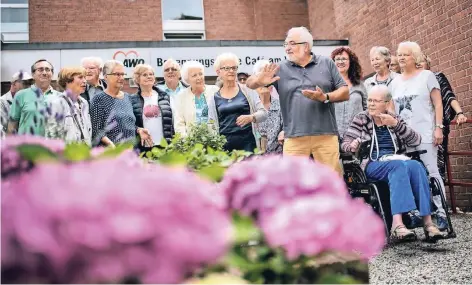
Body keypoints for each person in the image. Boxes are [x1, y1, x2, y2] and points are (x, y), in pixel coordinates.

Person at [342, 85, 442, 241]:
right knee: (398, 166)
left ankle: (428, 223)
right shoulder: (362, 118)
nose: (371, 104)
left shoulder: (394, 118)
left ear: (387, 103)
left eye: (376, 101)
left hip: (396, 160)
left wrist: (395, 124)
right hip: (372, 164)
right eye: (369, 100)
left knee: (416, 166)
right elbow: (345, 143)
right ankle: (397, 224)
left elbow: (416, 140)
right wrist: (352, 145)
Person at [246, 26, 349, 174]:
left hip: (325, 136)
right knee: (293, 184)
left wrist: (325, 97)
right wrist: (259, 80)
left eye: (292, 43)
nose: (287, 48)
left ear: (306, 46)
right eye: (285, 44)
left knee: (332, 182)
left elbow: (345, 92)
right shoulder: (280, 68)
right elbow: (249, 84)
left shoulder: (326, 63)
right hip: (294, 138)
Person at [389, 41, 448, 231]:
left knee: (432, 172)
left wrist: (438, 127)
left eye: (405, 54)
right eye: (399, 54)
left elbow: (438, 104)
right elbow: (391, 107)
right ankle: (416, 215)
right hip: (403, 137)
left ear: (415, 56)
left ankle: (441, 213)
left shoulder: (427, 76)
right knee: (411, 175)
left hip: (425, 134)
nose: (401, 57)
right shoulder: (395, 81)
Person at [418, 53, 468, 181]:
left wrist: (459, 113)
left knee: (437, 165)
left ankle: (438, 197)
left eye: (421, 61)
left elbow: (448, 95)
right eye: (416, 61)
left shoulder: (437, 77)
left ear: (428, 63)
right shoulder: (412, 82)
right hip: (418, 129)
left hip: (437, 127)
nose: (418, 64)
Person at [208, 53, 268, 152]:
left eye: (234, 68)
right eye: (227, 68)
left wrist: (251, 117)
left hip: (249, 146)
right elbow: (211, 125)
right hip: (225, 149)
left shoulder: (248, 90)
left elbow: (264, 114)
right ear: (218, 72)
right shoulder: (214, 97)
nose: (231, 71)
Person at [90, 60, 146, 147]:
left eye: (123, 74)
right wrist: (109, 144)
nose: (121, 77)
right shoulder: (98, 99)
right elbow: (96, 130)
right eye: (117, 74)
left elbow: (128, 124)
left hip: (131, 151)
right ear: (105, 77)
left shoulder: (128, 97)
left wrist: (139, 130)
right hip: (112, 153)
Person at [8, 59, 61, 136]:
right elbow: (12, 125)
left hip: (53, 146)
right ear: (33, 74)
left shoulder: (60, 97)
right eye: (40, 70)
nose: (44, 73)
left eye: (47, 70)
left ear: (52, 74)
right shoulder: (21, 95)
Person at [130, 64, 174, 150]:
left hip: (165, 146)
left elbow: (174, 120)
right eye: (145, 75)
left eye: (151, 74)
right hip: (144, 147)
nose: (149, 77)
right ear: (137, 79)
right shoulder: (132, 100)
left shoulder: (165, 96)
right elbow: (129, 123)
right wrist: (138, 130)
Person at [45, 67, 92, 145]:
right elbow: (51, 136)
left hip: (84, 153)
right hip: (66, 154)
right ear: (67, 81)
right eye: (80, 77)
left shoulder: (84, 103)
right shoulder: (56, 104)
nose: (85, 81)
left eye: (85, 77)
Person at [174, 61, 219, 137]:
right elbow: (179, 124)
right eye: (194, 75)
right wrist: (186, 141)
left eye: (200, 74)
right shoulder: (181, 96)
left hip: (215, 140)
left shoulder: (215, 91)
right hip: (191, 143)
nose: (199, 78)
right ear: (187, 79)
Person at [330, 47, 367, 139]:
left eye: (344, 59)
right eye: (337, 59)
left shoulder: (360, 85)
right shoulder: (329, 85)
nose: (340, 62)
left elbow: (367, 109)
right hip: (333, 136)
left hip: (356, 136)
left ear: (351, 62)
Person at [252, 60, 283, 154]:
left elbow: (287, 126)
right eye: (260, 81)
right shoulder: (249, 105)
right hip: (252, 157)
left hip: (277, 158)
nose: (264, 85)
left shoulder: (280, 105)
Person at [1, 71, 33, 138]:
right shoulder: (2, 102)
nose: (28, 86)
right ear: (14, 84)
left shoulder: (28, 100)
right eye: (25, 83)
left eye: (29, 83)